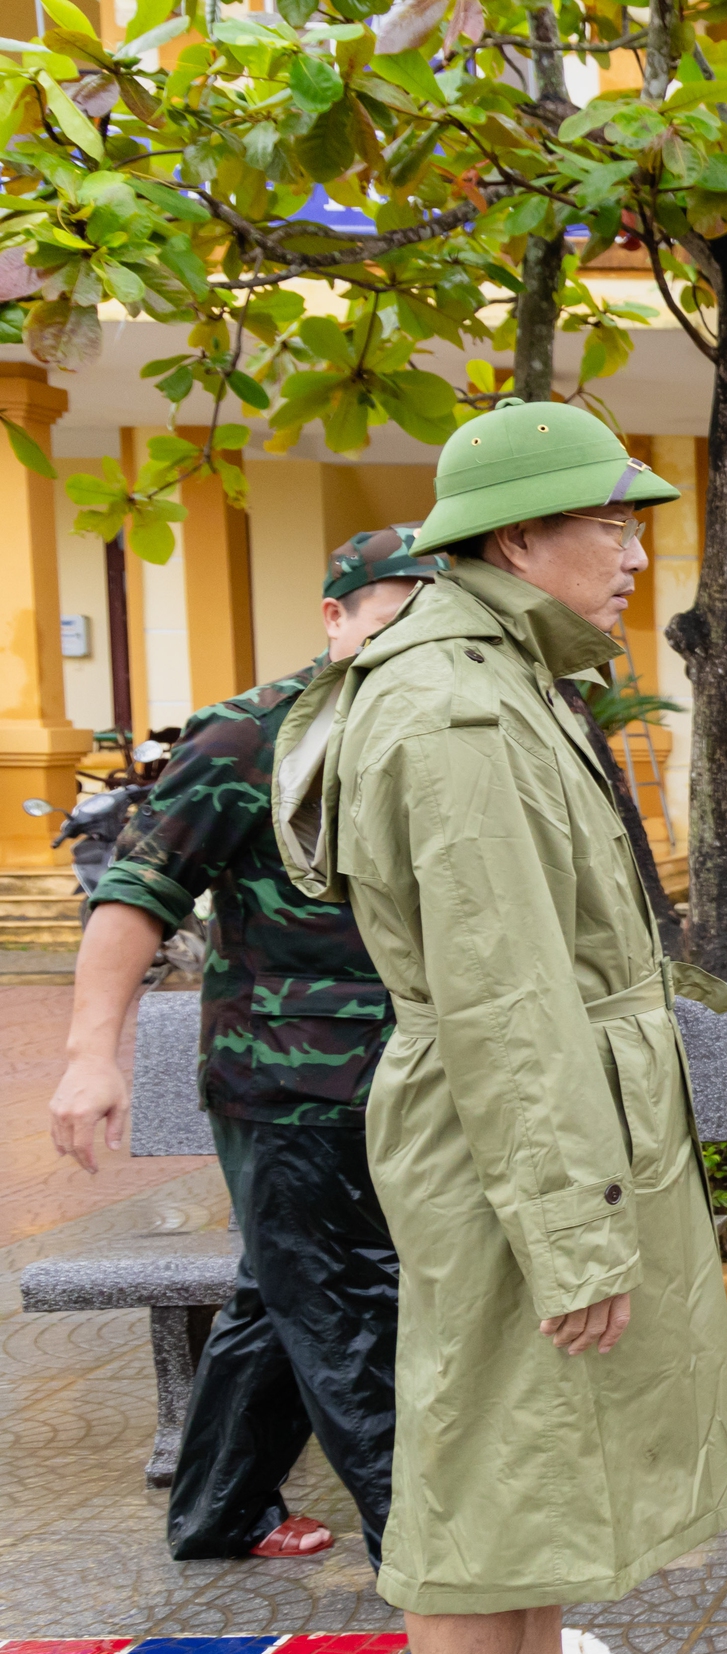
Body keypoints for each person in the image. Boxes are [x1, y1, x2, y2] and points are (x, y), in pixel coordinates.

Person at [273, 401, 727, 1654]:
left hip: (550, 1107)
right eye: (607, 524)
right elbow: (501, 997)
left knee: (538, 1427)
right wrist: (569, 1227)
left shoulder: (496, 668)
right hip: (511, 1126)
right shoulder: (461, 709)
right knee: (483, 1447)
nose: (627, 552)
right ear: (519, 537)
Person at [49, 528, 441, 1568]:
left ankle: (219, 1507)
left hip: (410, 1079)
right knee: (357, 1309)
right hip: (290, 1090)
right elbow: (135, 894)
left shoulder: (441, 734)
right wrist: (94, 1054)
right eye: (395, 611)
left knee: (285, 1292)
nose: (416, 639)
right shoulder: (249, 738)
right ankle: (436, 1564)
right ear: (337, 616)